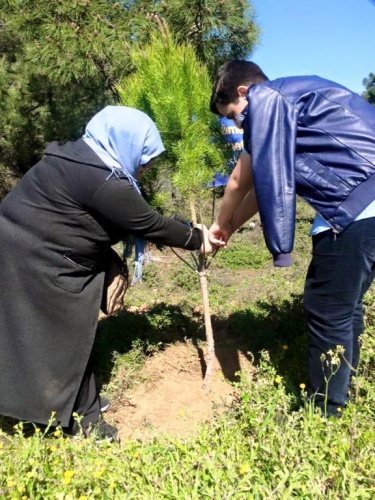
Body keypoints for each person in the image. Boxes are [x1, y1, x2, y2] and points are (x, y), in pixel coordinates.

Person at [0, 106, 211, 440]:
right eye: (144, 160)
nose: (145, 169)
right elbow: (149, 224)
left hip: (23, 246)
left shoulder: (82, 155)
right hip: (37, 257)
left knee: (43, 335)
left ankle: (74, 402)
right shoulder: (103, 180)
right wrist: (198, 239)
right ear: (125, 143)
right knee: (65, 336)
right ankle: (85, 421)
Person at [208, 60, 375, 417]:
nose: (238, 125)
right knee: (346, 307)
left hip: (355, 210)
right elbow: (259, 184)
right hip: (369, 204)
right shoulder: (297, 95)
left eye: (235, 116)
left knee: (328, 311)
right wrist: (230, 227)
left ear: (244, 92)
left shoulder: (266, 102)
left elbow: (241, 181)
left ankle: (326, 412)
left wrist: (220, 227)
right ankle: (350, 386)